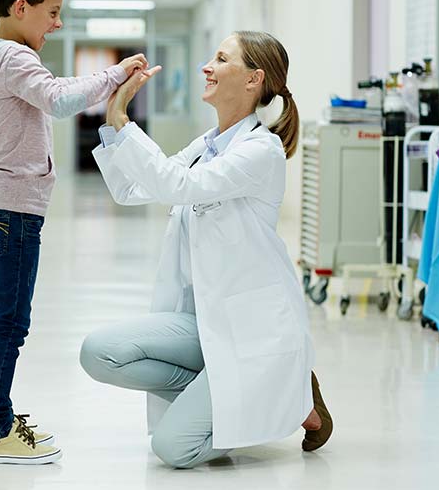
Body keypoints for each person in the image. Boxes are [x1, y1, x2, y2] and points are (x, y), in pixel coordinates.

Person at [80, 31, 333, 469]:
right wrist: (112, 118)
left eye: (220, 58)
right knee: (98, 352)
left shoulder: (261, 151)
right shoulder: (207, 146)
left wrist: (124, 120)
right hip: (207, 323)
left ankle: (291, 401)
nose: (206, 66)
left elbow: (178, 186)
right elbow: (133, 188)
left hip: (254, 333)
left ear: (253, 80)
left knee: (174, 448)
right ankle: (229, 393)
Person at [0, 0, 147, 466]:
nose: (58, 22)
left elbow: (54, 91)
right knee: (8, 324)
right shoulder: (16, 58)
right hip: (13, 210)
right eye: (52, 11)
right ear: (20, 7)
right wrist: (115, 76)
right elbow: (61, 100)